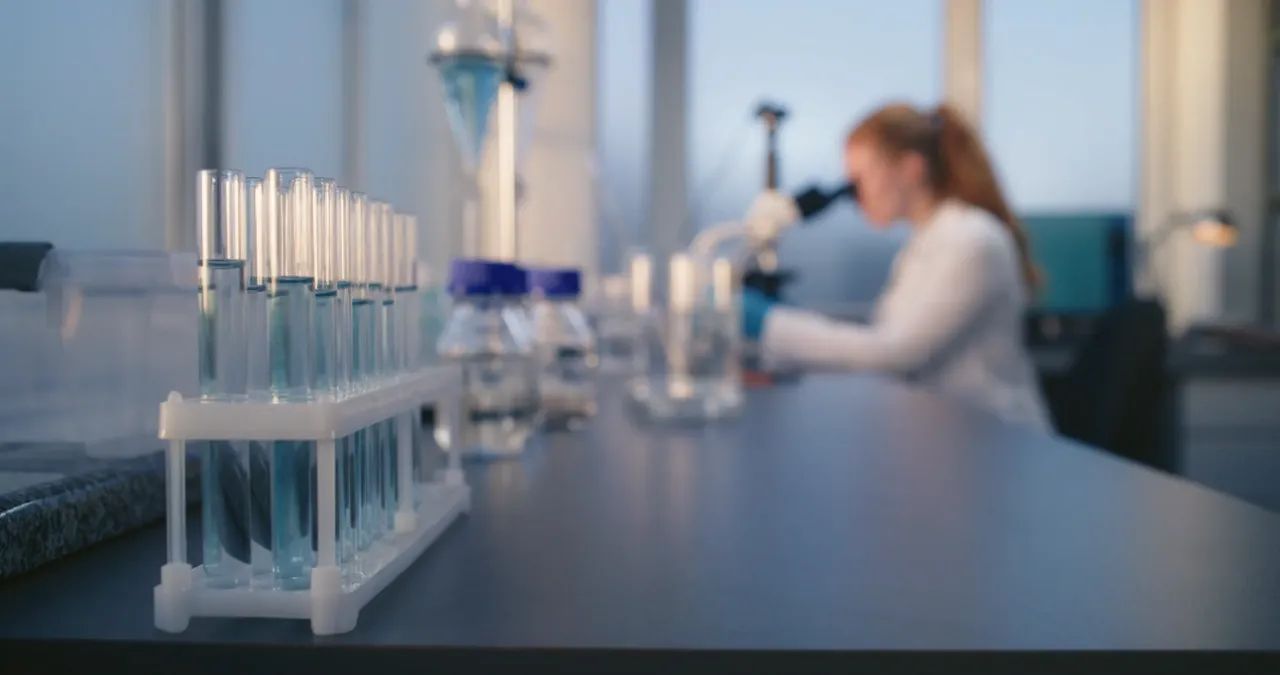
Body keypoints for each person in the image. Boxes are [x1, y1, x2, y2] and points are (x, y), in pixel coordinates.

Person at [740, 102, 1051, 431]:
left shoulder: (972, 238)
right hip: (944, 435)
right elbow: (883, 336)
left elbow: (897, 354)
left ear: (910, 168)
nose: (853, 194)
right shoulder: (925, 242)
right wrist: (790, 320)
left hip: (996, 439)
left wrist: (768, 323)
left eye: (860, 179)